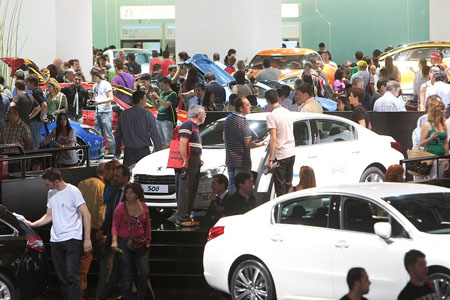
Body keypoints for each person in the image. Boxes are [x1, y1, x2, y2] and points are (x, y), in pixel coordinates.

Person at [24, 168, 92, 300]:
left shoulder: (73, 192)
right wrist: (33, 224)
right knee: (62, 276)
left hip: (72, 238)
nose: (46, 186)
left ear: (56, 181)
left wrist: (87, 239)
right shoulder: (51, 193)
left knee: (72, 275)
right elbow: (49, 215)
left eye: (47, 183)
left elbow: (86, 214)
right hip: (56, 239)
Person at [111, 183, 151, 300]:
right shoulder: (120, 207)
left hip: (140, 242)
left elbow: (147, 225)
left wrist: (148, 240)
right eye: (127, 192)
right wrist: (114, 240)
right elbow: (114, 225)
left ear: (137, 194)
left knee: (144, 272)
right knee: (127, 274)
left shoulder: (143, 206)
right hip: (124, 242)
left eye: (131, 192)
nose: (128, 195)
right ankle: (128, 297)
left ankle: (141, 297)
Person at [97, 164, 130, 299]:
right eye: (114, 175)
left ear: (126, 177)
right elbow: (111, 213)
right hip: (112, 232)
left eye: (118, 176)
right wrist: (103, 229)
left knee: (126, 267)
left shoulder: (132, 192)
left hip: (125, 236)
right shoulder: (115, 191)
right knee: (112, 265)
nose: (114, 178)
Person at [224, 97, 264, 194]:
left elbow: (224, 138)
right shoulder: (243, 122)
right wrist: (261, 144)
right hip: (242, 161)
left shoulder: (227, 120)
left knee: (232, 186)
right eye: (247, 105)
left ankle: (232, 207)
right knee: (242, 189)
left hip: (230, 160)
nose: (250, 106)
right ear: (241, 108)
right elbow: (248, 144)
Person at [77, 163, 106, 295]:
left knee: (83, 260)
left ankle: (80, 290)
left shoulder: (82, 183)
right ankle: (105, 290)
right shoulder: (102, 186)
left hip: (81, 227)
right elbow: (101, 209)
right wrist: (103, 230)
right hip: (96, 228)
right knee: (105, 261)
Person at [175, 105, 206, 227]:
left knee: (191, 188)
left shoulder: (195, 127)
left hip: (194, 160)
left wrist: (198, 159)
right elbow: (183, 143)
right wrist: (185, 160)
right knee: (185, 189)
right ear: (198, 114)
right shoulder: (187, 125)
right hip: (188, 161)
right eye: (204, 113)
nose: (205, 115)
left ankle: (186, 216)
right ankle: (182, 218)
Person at [115, 90, 162, 166]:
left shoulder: (124, 114)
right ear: (141, 100)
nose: (146, 100)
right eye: (145, 99)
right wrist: (158, 149)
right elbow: (154, 133)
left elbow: (118, 132)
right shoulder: (147, 114)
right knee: (143, 172)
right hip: (142, 150)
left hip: (128, 150)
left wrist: (118, 146)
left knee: (128, 174)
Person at [265, 89, 296, 196]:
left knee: (280, 187)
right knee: (288, 184)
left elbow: (273, 138)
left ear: (267, 101)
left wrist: (271, 159)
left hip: (280, 154)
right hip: (291, 152)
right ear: (278, 98)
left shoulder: (271, 116)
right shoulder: (287, 112)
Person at [419, 98, 448, 178]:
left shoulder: (443, 125)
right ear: (437, 111)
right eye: (442, 109)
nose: (445, 111)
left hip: (441, 158)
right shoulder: (427, 124)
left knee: (440, 178)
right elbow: (421, 143)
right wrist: (430, 139)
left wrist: (447, 158)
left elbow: (445, 143)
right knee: (433, 179)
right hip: (431, 158)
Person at [91, 68, 116, 155]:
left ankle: (114, 153)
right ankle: (100, 153)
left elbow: (111, 98)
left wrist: (99, 102)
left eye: (93, 76)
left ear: (97, 75)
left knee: (109, 135)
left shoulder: (106, 84)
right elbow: (96, 97)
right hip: (98, 111)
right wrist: (92, 101)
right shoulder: (94, 86)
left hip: (106, 112)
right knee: (98, 135)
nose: (92, 78)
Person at [0, 106, 33, 172]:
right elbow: (1, 141)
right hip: (6, 160)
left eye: (9, 112)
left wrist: (26, 159)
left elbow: (29, 144)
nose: (7, 113)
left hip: (18, 161)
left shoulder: (24, 127)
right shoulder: (5, 126)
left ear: (15, 114)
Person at [153, 76, 178, 148]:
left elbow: (167, 105)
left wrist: (157, 97)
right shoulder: (162, 93)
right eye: (160, 85)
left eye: (162, 85)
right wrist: (153, 99)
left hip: (167, 120)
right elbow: (156, 107)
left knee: (168, 141)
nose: (161, 87)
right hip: (159, 118)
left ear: (167, 84)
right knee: (161, 141)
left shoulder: (172, 94)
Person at [25, 74, 48, 149]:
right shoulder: (38, 91)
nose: (26, 85)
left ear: (32, 83)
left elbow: (44, 105)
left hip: (35, 122)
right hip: (36, 122)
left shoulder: (36, 93)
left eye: (27, 83)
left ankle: (35, 159)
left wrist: (41, 117)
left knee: (34, 143)